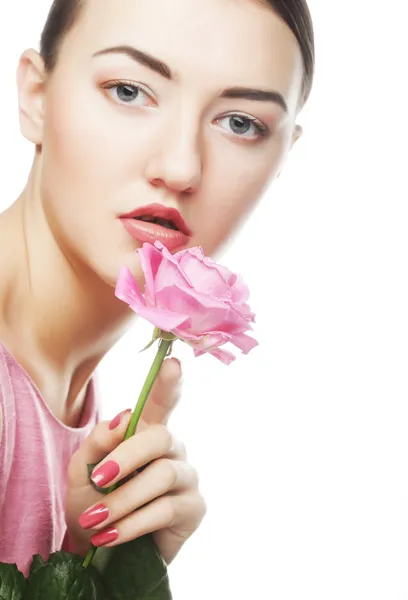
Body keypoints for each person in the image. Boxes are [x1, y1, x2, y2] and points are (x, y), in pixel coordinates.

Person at [0, 0, 315, 578]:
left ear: (283, 157)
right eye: (128, 90)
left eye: (240, 123)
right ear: (36, 98)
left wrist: (86, 566)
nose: (179, 167)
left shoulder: (77, 407)